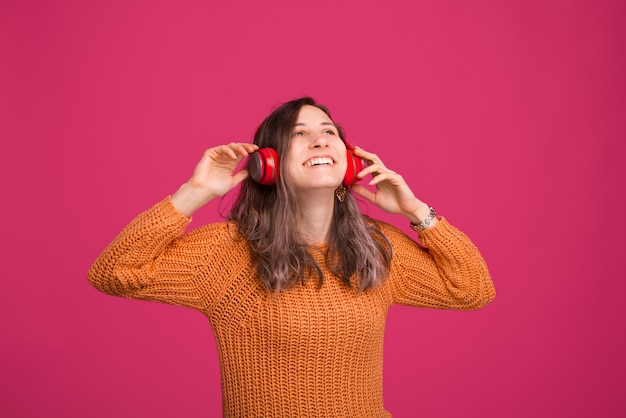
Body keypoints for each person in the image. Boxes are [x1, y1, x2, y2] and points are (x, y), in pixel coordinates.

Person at [88, 97, 495, 417]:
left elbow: (472, 290)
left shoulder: (373, 249)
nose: (320, 140)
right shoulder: (229, 253)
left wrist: (416, 212)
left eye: (329, 131)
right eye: (299, 134)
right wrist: (196, 191)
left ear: (350, 161)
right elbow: (115, 272)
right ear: (269, 163)